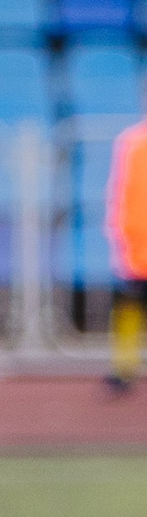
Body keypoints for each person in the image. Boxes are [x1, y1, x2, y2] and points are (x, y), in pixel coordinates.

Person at [104, 103, 147, 390]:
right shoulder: (131, 141)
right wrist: (118, 228)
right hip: (137, 241)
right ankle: (124, 367)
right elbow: (120, 189)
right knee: (129, 302)